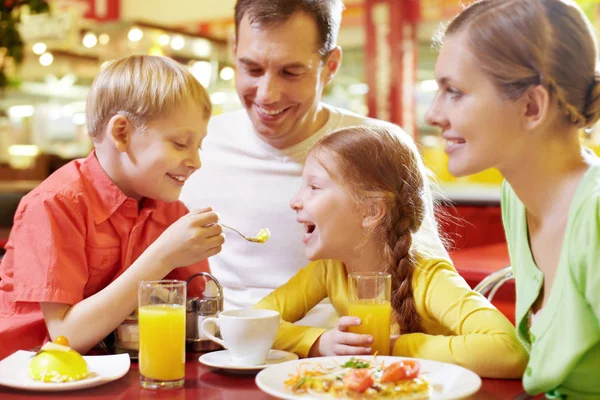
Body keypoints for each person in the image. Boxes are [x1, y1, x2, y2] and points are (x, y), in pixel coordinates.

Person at [180, 0, 447, 327]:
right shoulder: (194, 146)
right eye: (251, 69)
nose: (267, 94)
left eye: (291, 72)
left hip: (343, 362)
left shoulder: (378, 145)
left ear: (330, 65)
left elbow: (427, 282)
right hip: (221, 350)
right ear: (234, 50)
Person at [425, 0, 600, 396]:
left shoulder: (595, 215)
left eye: (454, 92)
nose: (432, 115)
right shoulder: (517, 196)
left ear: (532, 106)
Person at [254, 125, 527, 378]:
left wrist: (394, 347)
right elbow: (256, 320)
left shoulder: (429, 277)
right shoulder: (330, 269)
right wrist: (319, 342)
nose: (295, 201)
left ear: (371, 211)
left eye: (314, 187)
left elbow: (511, 350)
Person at [0, 55, 225, 360]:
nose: (196, 162)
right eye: (179, 143)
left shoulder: (171, 213)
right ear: (121, 133)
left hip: (120, 370)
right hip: (28, 372)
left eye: (198, 145)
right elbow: (67, 338)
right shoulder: (55, 204)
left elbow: (199, 317)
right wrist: (163, 255)